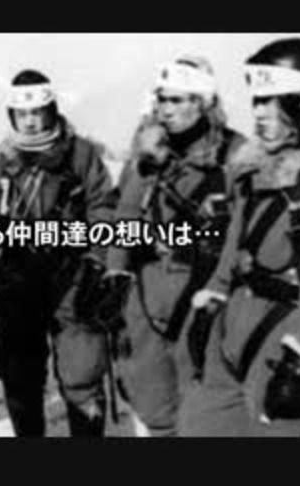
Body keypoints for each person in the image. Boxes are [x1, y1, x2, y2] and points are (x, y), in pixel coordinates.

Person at [180, 38, 300, 437]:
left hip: (288, 331)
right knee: (199, 425)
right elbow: (234, 247)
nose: (258, 113)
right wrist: (212, 298)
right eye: (256, 100)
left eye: (271, 102)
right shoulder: (252, 169)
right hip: (233, 323)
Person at [106, 55, 247, 437]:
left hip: (204, 291)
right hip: (148, 288)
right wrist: (115, 271)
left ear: (202, 102)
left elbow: (245, 230)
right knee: (152, 402)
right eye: (162, 99)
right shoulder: (148, 153)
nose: (166, 109)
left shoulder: (236, 156)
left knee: (201, 406)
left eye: (177, 100)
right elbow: (127, 213)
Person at [0, 69, 116, 437]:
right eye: (22, 114)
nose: (30, 121)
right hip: (18, 279)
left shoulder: (81, 154)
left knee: (82, 371)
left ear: (52, 110)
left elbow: (103, 208)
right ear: (12, 115)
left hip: (74, 275)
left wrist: (97, 262)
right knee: (20, 375)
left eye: (37, 112)